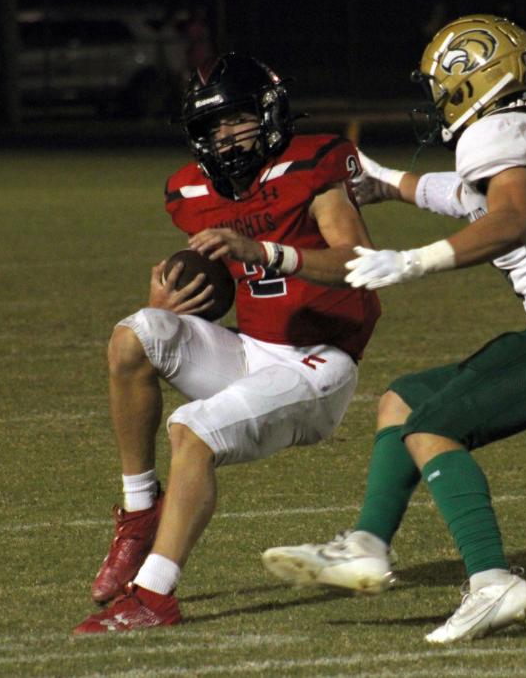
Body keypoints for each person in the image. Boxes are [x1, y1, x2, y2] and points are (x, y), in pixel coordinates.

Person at [261, 14, 526, 645]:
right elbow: (464, 195)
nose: (432, 100)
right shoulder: (521, 132)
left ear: (470, 80)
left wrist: (412, 261)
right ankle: (368, 544)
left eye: (438, 84)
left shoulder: (498, 131)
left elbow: (507, 220)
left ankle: (493, 582)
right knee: (405, 401)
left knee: (433, 428)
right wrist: (387, 182)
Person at [73, 53, 381, 633]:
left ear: (268, 113)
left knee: (192, 429)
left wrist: (266, 254)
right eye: (213, 125)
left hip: (320, 363)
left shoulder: (312, 167)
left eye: (236, 119)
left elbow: (360, 263)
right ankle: (140, 513)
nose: (225, 135)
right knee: (133, 335)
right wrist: (166, 295)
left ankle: (155, 597)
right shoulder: (193, 190)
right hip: (252, 349)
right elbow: (199, 266)